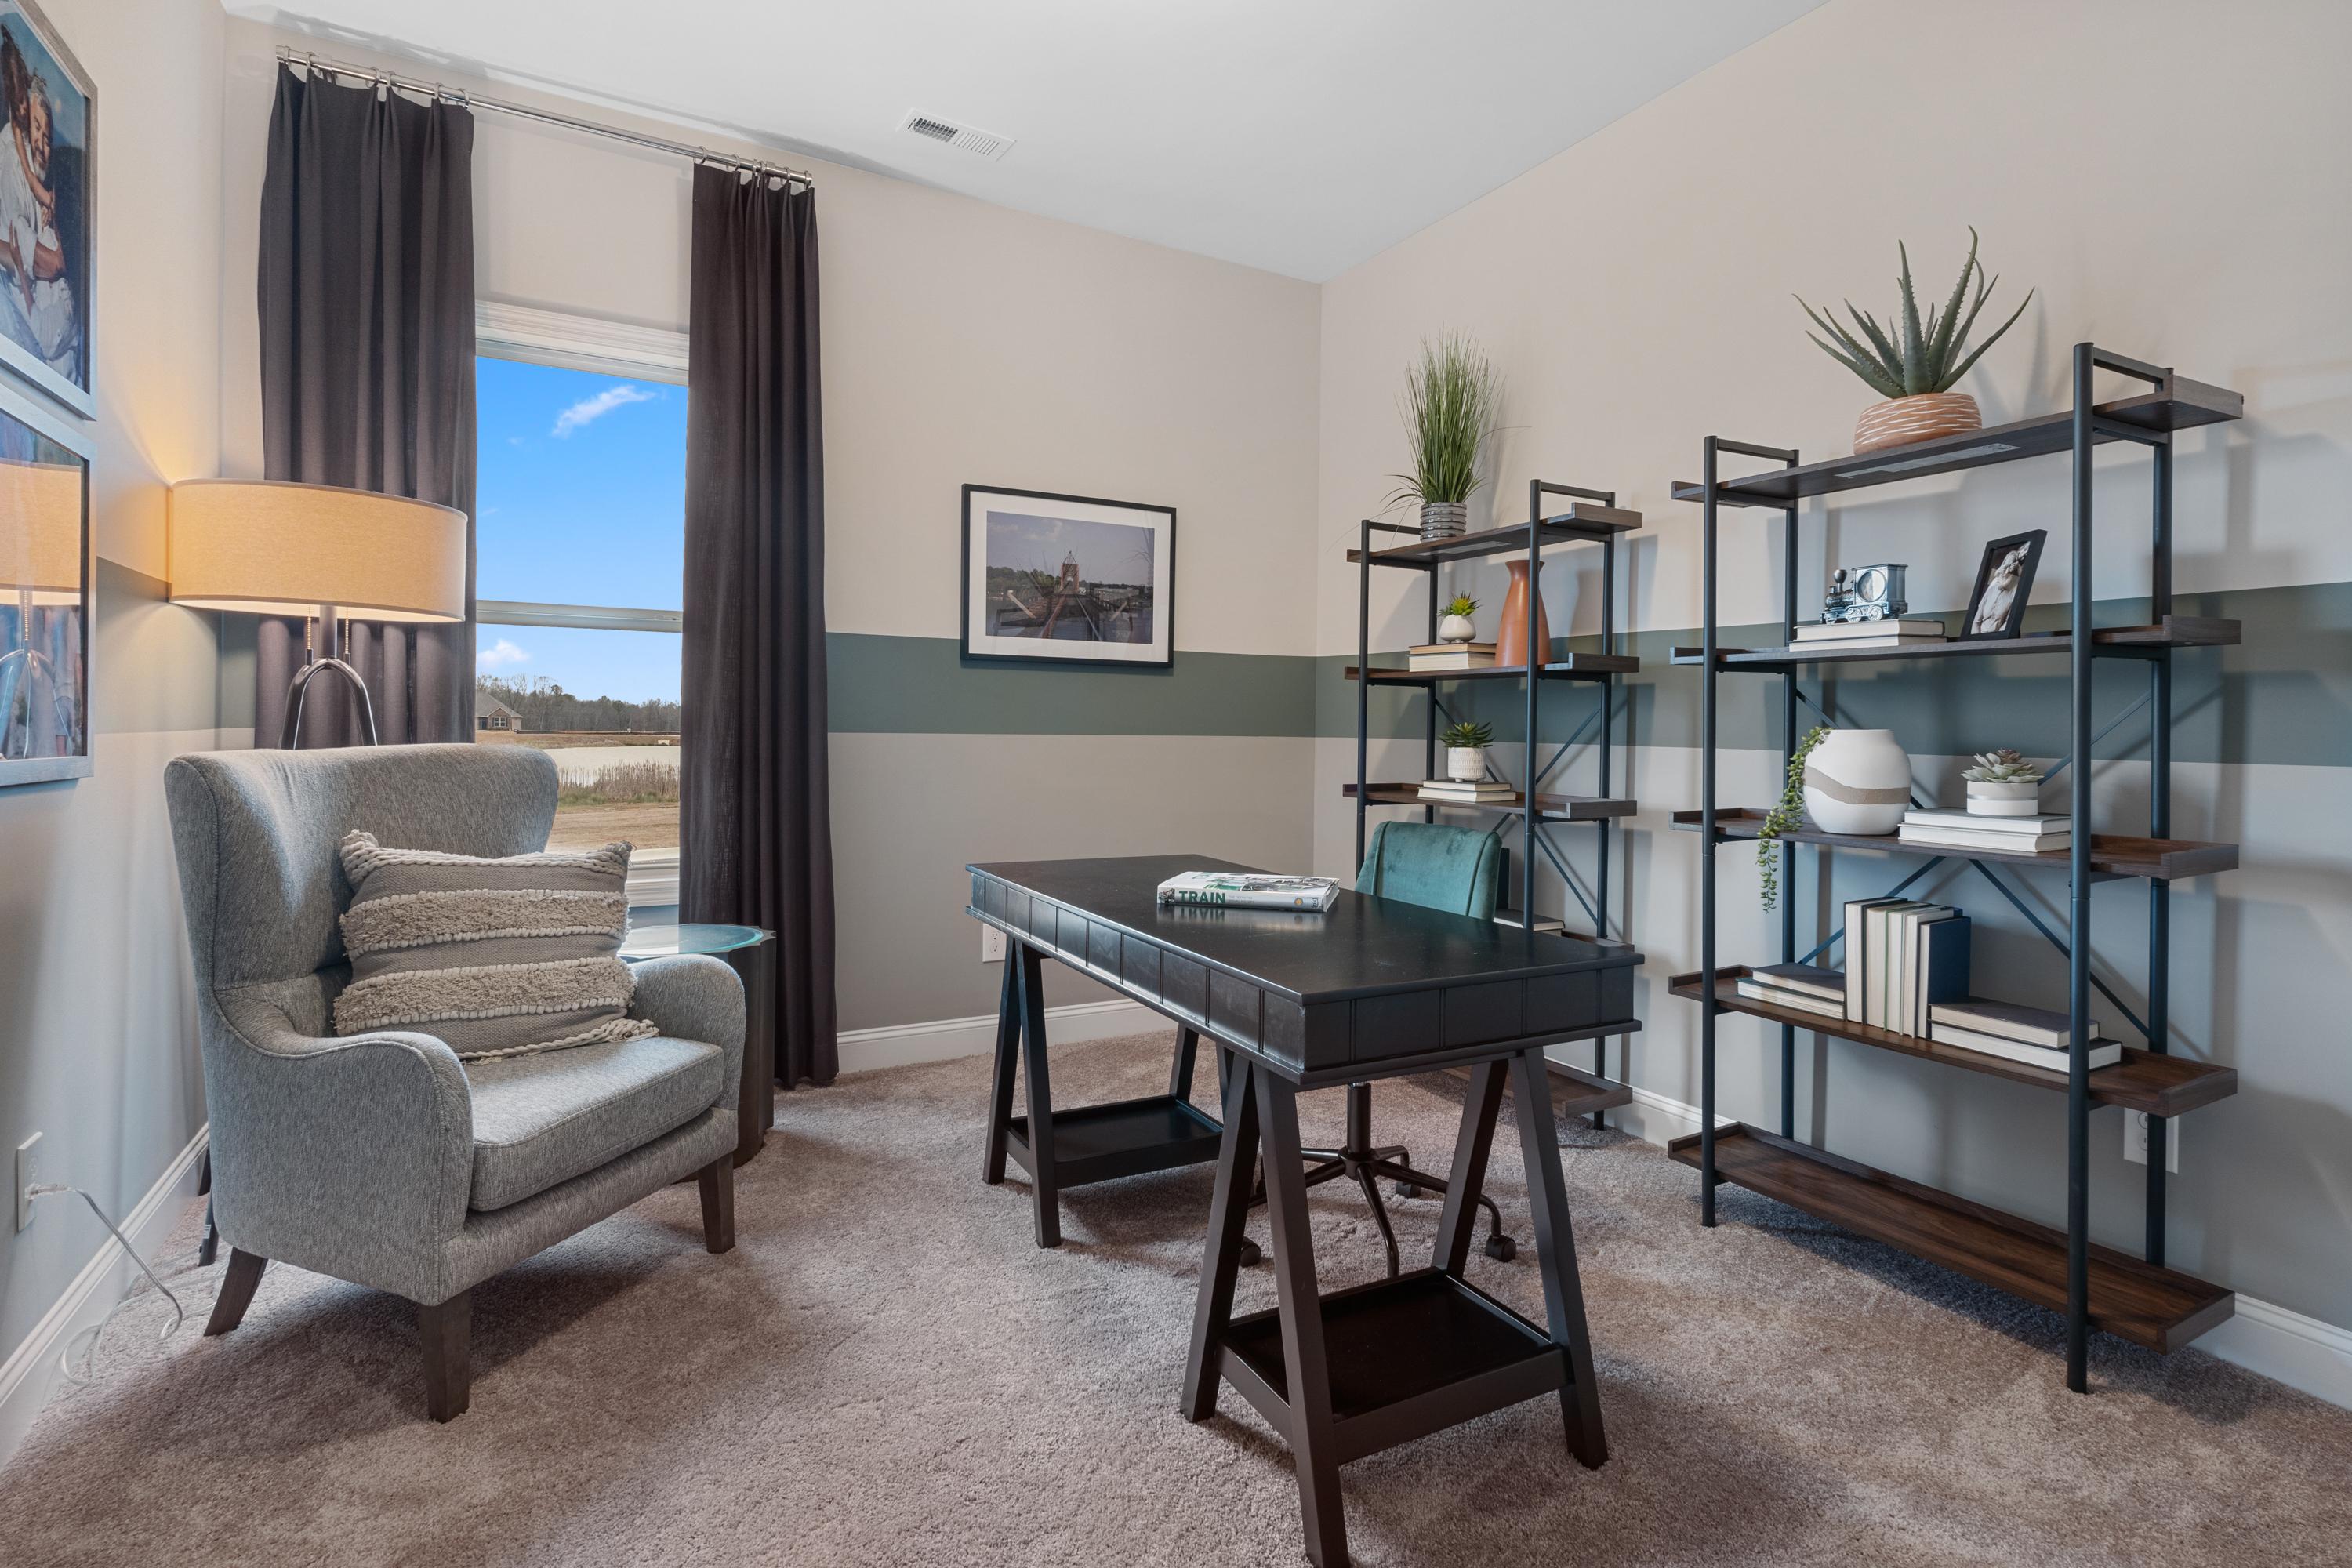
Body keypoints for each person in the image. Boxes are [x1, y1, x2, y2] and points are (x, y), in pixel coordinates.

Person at [0, 30, 74, 376]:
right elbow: (48, 262)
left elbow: (56, 263)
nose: (41, 143)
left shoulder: (48, 187)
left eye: (46, 136)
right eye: (35, 133)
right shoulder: (12, 159)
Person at [1970, 543, 2028, 636]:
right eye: (2005, 567)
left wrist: (1995, 640)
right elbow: (1976, 622)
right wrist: (1976, 642)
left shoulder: (2014, 592)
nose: (2006, 572)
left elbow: (2008, 624)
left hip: (1998, 639)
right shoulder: (1992, 588)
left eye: (2011, 570)